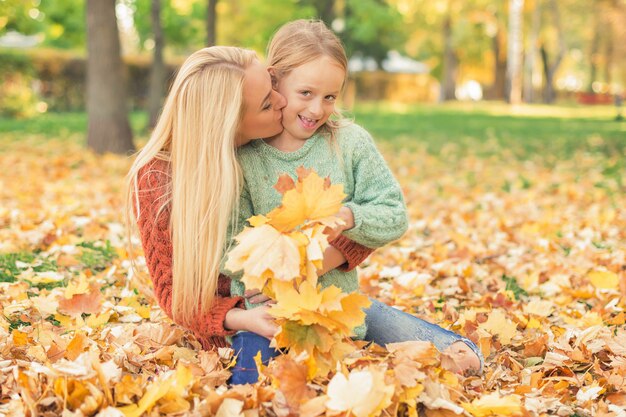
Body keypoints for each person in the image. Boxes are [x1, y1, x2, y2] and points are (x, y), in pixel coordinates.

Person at [225, 20, 483, 383]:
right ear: (275, 82)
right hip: (270, 313)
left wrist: (350, 215)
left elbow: (393, 214)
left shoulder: (349, 143)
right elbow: (231, 246)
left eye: (330, 97)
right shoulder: (247, 156)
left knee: (465, 362)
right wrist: (282, 276)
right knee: (254, 386)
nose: (317, 109)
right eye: (306, 93)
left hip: (340, 307)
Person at [126, 46, 373, 356]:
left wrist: (310, 269)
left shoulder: (284, 144)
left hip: (320, 301)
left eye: (272, 83)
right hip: (243, 325)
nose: (282, 100)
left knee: (444, 348)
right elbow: (177, 296)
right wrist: (244, 318)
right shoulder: (157, 180)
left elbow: (371, 218)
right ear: (229, 125)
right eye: (268, 102)